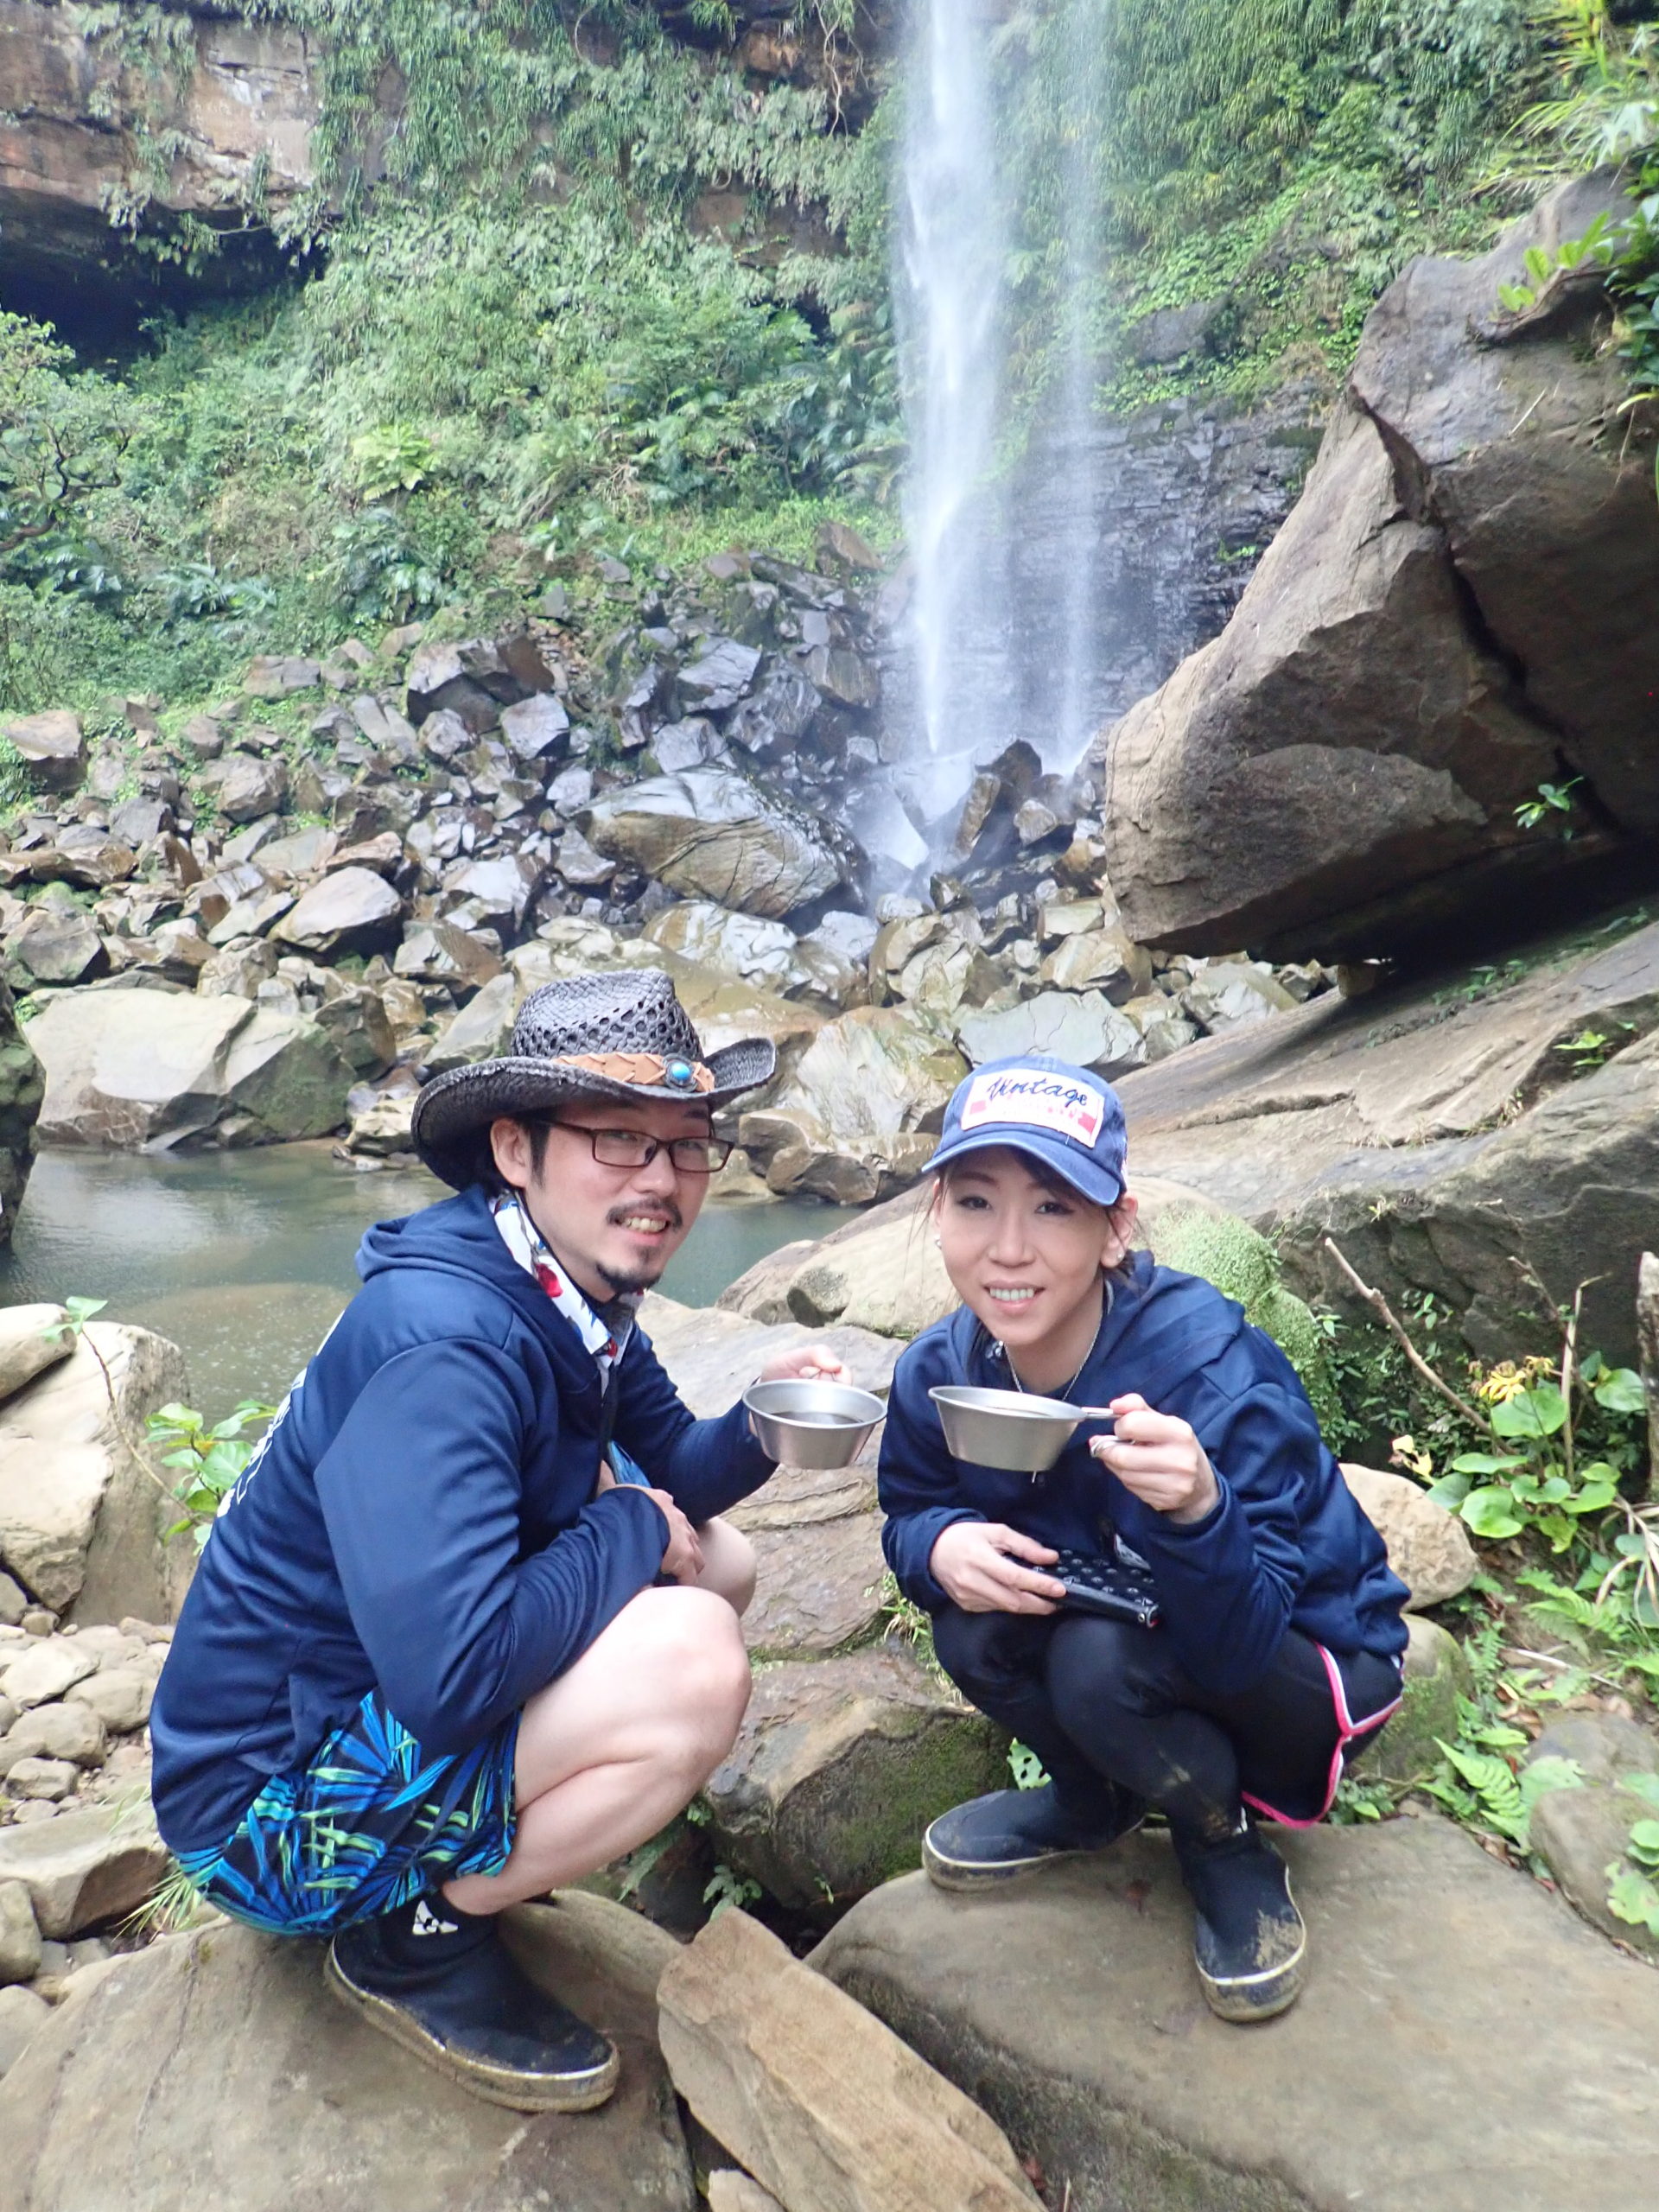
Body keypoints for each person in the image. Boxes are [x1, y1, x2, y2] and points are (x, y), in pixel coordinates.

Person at [149, 969, 850, 2110]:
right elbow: (453, 1674)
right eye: (619, 1141)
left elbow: (679, 1468)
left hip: (373, 1705)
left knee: (721, 1566)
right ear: (516, 1149)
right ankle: (415, 1935)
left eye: (686, 1145)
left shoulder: (565, 1289)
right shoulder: (448, 1345)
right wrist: (627, 1525)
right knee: (694, 1659)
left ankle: (457, 1860)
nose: (663, 1181)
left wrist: (767, 1419)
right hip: (263, 1817)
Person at [878, 1055, 1408, 2022]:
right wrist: (939, 1544)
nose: (1007, 1249)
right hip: (1129, 1608)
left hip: (1312, 1656)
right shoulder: (940, 1372)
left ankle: (1220, 1836)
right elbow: (909, 1508)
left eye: (1051, 1208)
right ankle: (1094, 1798)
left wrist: (1199, 1507)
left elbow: (1247, 1643)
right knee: (972, 1618)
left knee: (1094, 1661)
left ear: (1115, 1228)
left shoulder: (1205, 1366)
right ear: (937, 1214)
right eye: (974, 1203)